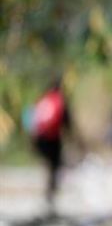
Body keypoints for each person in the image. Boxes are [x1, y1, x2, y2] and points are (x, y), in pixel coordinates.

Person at [27, 77, 78, 211]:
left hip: (40, 138)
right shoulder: (60, 101)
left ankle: (48, 196)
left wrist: (32, 141)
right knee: (55, 166)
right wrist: (74, 139)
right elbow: (67, 123)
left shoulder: (43, 99)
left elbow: (31, 119)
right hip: (52, 138)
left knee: (49, 165)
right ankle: (50, 197)